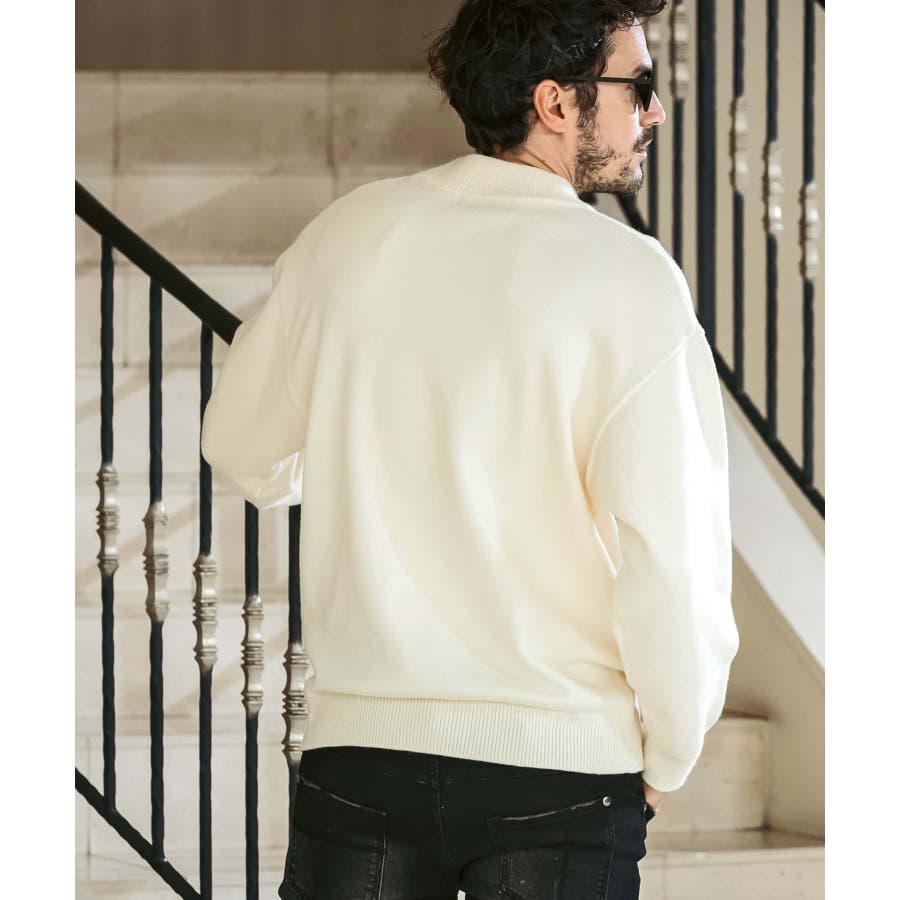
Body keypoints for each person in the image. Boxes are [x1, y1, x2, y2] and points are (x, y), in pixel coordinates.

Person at [199, 1, 740, 896]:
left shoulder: (347, 237)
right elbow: (675, 556)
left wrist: (365, 453)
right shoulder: (630, 278)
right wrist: (672, 749)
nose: (653, 111)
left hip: (361, 757)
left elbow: (243, 448)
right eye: (637, 86)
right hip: (561, 767)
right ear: (555, 103)